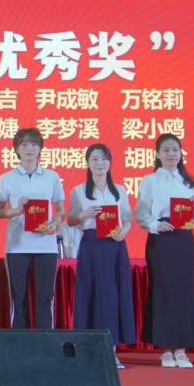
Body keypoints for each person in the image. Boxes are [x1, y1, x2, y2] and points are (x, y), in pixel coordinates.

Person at [135, 133, 194, 368]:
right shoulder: (150, 180)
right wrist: (155, 224)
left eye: (175, 149)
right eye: (166, 150)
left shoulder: (189, 181)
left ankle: (182, 348)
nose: (171, 154)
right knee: (163, 289)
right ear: (157, 154)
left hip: (184, 238)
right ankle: (165, 348)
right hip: (161, 238)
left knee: (184, 290)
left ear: (181, 153)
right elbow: (141, 212)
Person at [66, 144, 135, 369]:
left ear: (110, 162)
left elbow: (127, 218)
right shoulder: (79, 191)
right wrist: (83, 214)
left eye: (104, 159)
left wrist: (123, 233)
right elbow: (70, 220)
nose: (99, 163)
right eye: (94, 159)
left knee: (112, 297)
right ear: (87, 163)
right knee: (90, 294)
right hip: (92, 246)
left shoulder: (119, 190)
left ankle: (111, 352)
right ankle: (90, 351)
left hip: (114, 247)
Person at [0, 127, 66, 329]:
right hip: (17, 247)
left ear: (40, 148)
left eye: (34, 144)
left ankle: (45, 341)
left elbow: (61, 209)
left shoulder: (51, 176)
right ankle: (19, 342)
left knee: (45, 298)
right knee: (19, 299)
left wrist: (55, 222)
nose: (29, 148)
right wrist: (16, 211)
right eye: (24, 144)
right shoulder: (6, 178)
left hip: (46, 246)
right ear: (17, 149)